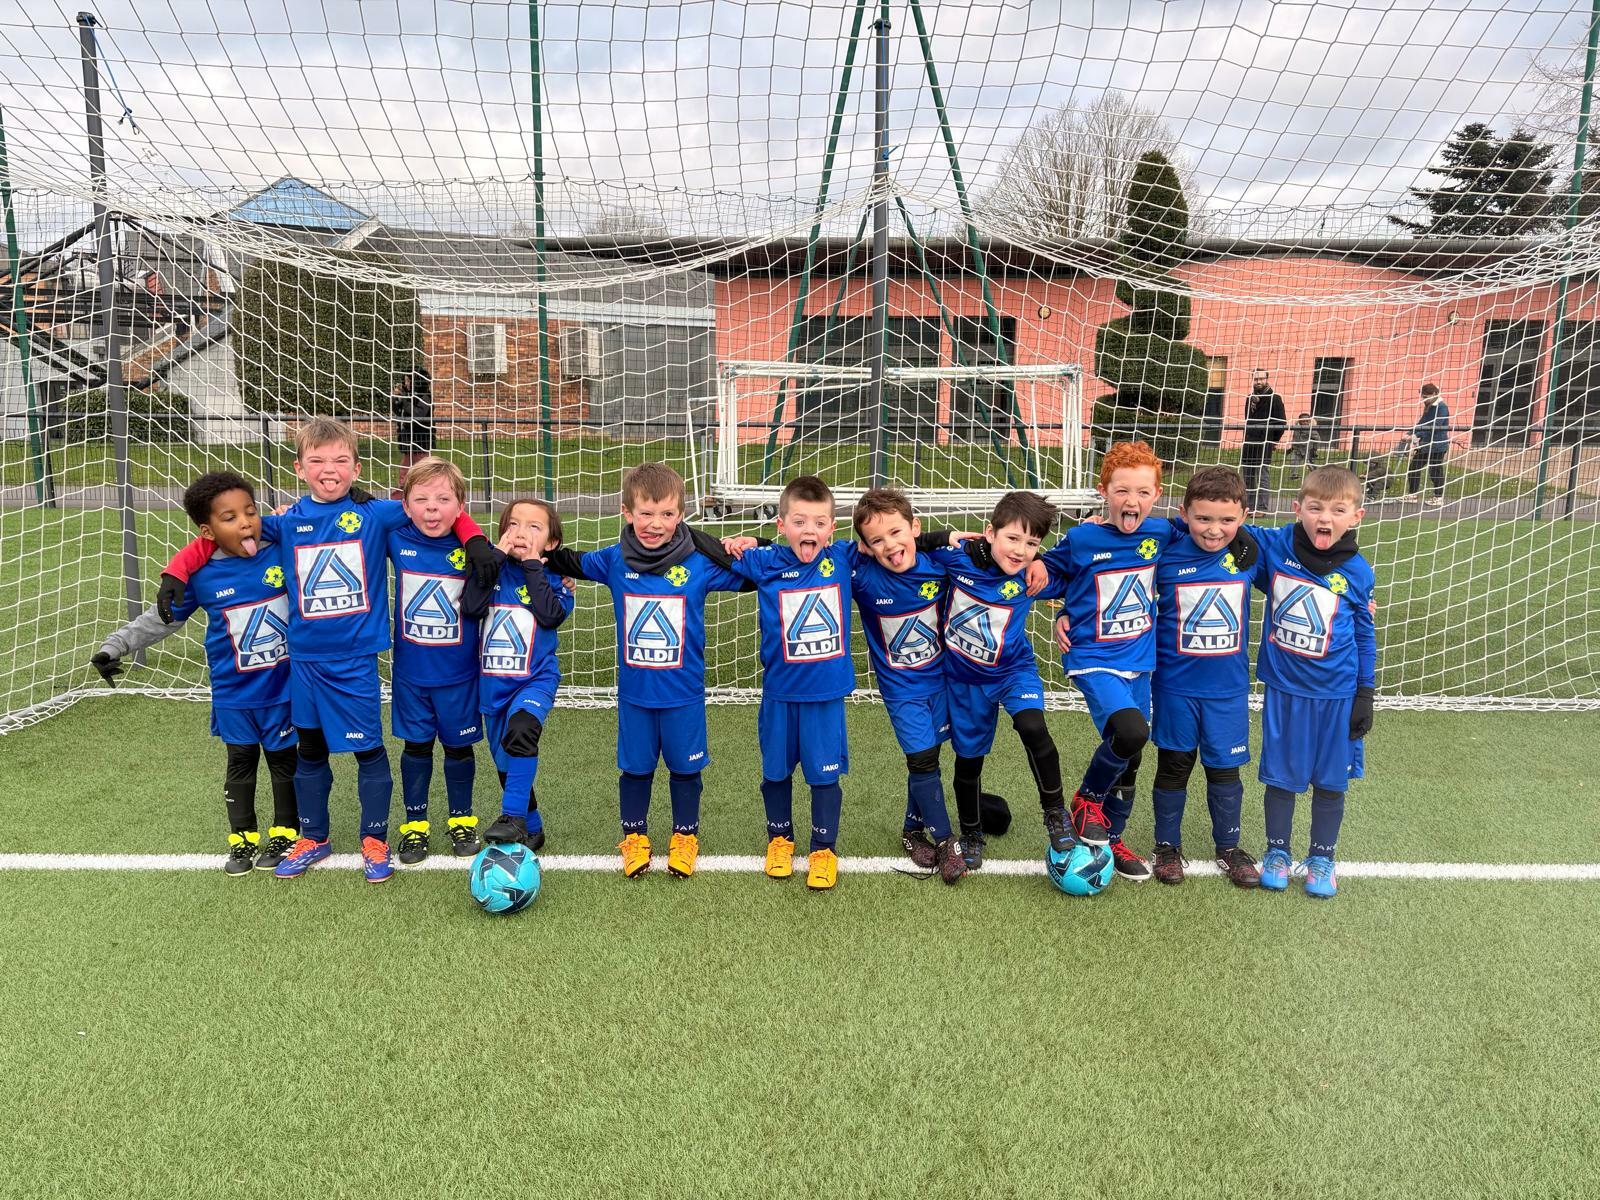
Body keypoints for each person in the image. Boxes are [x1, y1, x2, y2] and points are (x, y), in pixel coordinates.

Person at [154, 417, 496, 883]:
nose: (329, 469)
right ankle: (314, 836)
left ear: (357, 468)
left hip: (354, 664)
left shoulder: (377, 514)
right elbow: (227, 532)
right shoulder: (284, 523)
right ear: (299, 468)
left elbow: (438, 506)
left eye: (340, 460)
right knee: (310, 750)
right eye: (317, 461)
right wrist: (176, 571)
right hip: (304, 664)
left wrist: (474, 538)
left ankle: (374, 839)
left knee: (367, 751)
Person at [539, 463, 750, 879]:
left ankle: (684, 836)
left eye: (667, 514)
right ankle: (634, 836)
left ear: (681, 515)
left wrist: (747, 543)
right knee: (636, 769)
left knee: (685, 769)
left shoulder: (699, 562)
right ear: (626, 512)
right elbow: (568, 560)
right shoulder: (614, 560)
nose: (656, 524)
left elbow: (756, 576)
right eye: (646, 513)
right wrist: (533, 556)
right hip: (635, 696)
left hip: (684, 695)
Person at [91, 471, 298, 875]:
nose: (245, 523)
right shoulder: (202, 576)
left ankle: (286, 832)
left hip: (283, 688)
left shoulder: (282, 551)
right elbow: (162, 618)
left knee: (283, 761)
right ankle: (242, 838)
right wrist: (114, 646)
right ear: (207, 531)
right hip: (235, 691)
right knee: (241, 761)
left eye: (250, 512)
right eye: (230, 518)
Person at [720, 476, 856, 891]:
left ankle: (823, 849)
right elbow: (710, 552)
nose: (809, 530)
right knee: (776, 773)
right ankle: (779, 840)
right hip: (779, 694)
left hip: (825, 698)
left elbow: (893, 543)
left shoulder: (844, 557)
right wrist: (739, 543)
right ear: (782, 525)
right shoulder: (765, 562)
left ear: (832, 528)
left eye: (819, 523)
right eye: (799, 522)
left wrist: (947, 538)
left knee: (824, 776)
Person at [925, 492, 1071, 871]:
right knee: (968, 760)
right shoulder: (958, 559)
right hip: (965, 679)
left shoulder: (1032, 575)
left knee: (1033, 726)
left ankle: (1056, 814)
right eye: (1013, 538)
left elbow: (1082, 577)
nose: (1021, 550)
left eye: (1032, 543)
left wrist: (1065, 607)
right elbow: (908, 546)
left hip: (1013, 671)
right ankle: (972, 832)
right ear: (990, 533)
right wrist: (945, 536)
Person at [1251, 466, 1378, 899]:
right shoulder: (1275, 545)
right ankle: (1277, 852)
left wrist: (1365, 692)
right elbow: (1220, 525)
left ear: (1356, 517)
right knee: (1281, 777)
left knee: (1330, 781)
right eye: (1315, 508)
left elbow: (1364, 635)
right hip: (1285, 690)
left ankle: (1322, 858)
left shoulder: (1358, 572)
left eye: (1338, 510)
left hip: (1338, 694)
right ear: (1297, 508)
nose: (1325, 518)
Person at [1147, 466, 1262, 887]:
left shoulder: (1250, 553)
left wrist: (1356, 601)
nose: (1215, 529)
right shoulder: (1166, 551)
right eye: (1203, 518)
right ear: (1184, 513)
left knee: (1225, 770)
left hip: (1227, 690)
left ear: (1244, 516)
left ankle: (1229, 848)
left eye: (1228, 520)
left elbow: (1297, 564)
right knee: (1174, 765)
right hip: (1175, 686)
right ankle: (1166, 847)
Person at [849, 488, 968, 883]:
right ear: (866, 547)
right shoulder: (862, 575)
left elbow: (990, 559)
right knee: (921, 759)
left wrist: (941, 537)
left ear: (915, 527)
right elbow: (820, 556)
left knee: (931, 754)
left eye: (896, 532)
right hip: (901, 689)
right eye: (877, 540)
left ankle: (911, 830)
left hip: (944, 679)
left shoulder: (940, 565)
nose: (890, 545)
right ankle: (947, 841)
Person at [388, 455, 484, 865]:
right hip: (411, 675)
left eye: (443, 500)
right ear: (405, 505)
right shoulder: (396, 538)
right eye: (422, 500)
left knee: (459, 749)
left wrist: (560, 579)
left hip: (459, 675)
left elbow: (514, 567)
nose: (432, 509)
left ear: (461, 506)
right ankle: (415, 825)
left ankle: (462, 820)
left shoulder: (474, 549)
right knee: (416, 747)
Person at [462, 498, 575, 851]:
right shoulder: (490, 571)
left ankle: (511, 816)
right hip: (493, 685)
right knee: (506, 762)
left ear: (552, 543)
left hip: (535, 679)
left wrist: (533, 567)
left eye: (534, 527)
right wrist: (496, 558)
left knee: (522, 732)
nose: (521, 532)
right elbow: (471, 607)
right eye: (513, 524)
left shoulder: (555, 581)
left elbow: (550, 615)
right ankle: (533, 827)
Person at [1241, 368, 1288, 513]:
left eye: (1261, 379)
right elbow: (1247, 420)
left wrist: (1273, 441)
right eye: (1256, 379)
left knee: (1263, 476)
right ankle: (1249, 507)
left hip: (1265, 441)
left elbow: (1281, 423)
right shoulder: (1250, 399)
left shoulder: (1275, 398)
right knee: (1248, 476)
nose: (1258, 382)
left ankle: (1262, 507)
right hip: (1249, 442)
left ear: (1266, 379)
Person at [1402, 383, 1451, 507]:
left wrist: (1416, 435)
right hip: (1425, 444)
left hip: (1437, 445)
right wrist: (1409, 433)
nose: (1424, 399)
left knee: (1435, 470)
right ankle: (1413, 495)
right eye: (1423, 397)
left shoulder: (1442, 408)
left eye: (1426, 397)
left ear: (1434, 394)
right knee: (1414, 467)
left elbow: (1434, 426)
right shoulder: (1428, 406)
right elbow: (1422, 423)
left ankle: (1438, 497)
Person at [392, 367, 435, 493]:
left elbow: (417, 414)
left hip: (420, 441)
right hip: (408, 441)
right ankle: (402, 493)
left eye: (409, 380)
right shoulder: (408, 395)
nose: (406, 384)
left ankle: (422, 492)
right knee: (404, 470)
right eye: (405, 381)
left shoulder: (425, 396)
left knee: (422, 471)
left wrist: (405, 399)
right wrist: (395, 398)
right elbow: (398, 411)